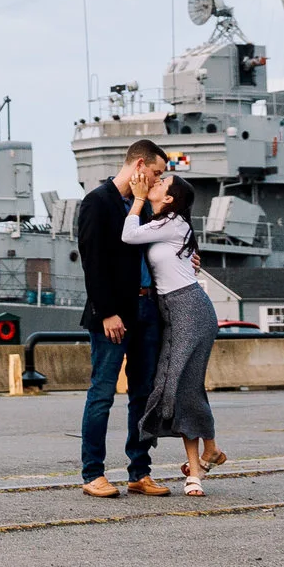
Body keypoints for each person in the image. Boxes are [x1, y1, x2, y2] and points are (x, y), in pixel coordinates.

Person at [76, 140, 171, 498]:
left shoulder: (144, 207)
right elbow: (93, 262)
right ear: (141, 165)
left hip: (148, 310)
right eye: (157, 173)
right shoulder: (97, 202)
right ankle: (92, 473)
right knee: (102, 393)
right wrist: (107, 312)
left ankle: (139, 472)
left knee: (143, 396)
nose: (159, 179)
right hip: (113, 313)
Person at [123, 174, 227, 493]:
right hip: (174, 309)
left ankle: (196, 470)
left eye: (161, 182)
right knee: (184, 385)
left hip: (189, 309)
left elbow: (128, 235)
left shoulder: (170, 222)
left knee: (182, 387)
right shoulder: (168, 224)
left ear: (169, 198)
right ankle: (207, 452)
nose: (155, 183)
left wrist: (138, 198)